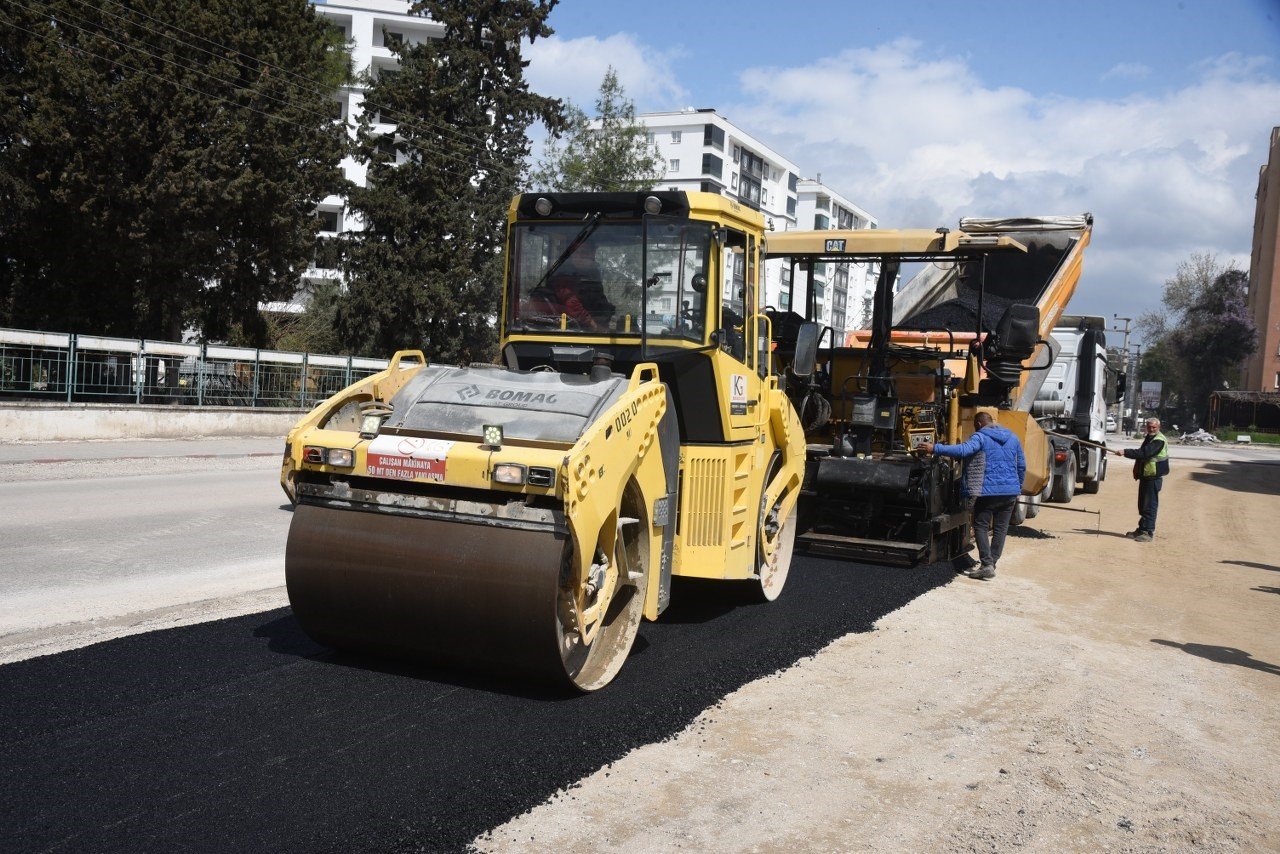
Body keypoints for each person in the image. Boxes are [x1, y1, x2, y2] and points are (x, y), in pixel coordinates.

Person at [921, 412, 1027, 580]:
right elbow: (1021, 465)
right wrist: (1018, 487)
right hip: (1010, 493)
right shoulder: (1013, 438)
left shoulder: (981, 437)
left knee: (980, 525)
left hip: (987, 492)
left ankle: (987, 564)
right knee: (1001, 529)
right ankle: (992, 563)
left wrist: (935, 448)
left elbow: (963, 450)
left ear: (978, 423)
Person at [1113, 417, 1169, 542]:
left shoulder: (1158, 440)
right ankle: (1141, 529)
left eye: (1154, 427)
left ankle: (1148, 532)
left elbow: (1144, 453)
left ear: (1158, 427)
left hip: (1153, 478)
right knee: (1143, 505)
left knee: (1150, 505)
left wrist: (1125, 452)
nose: (1151, 429)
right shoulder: (1150, 437)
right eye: (1149, 427)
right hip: (1146, 476)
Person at [549, 251, 611, 332]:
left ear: (593, 254)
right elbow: (569, 299)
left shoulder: (593, 272)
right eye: (576, 253)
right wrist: (592, 324)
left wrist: (606, 312)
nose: (580, 257)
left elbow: (598, 297)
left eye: (585, 253)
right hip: (567, 326)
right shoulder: (563, 272)